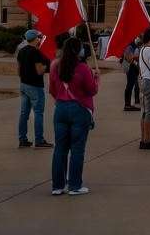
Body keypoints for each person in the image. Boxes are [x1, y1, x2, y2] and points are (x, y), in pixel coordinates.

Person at [49, 37, 99, 196]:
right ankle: (75, 185)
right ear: (79, 51)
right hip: (79, 109)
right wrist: (96, 77)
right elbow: (91, 90)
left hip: (61, 108)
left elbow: (52, 89)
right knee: (77, 149)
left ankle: (58, 186)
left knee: (60, 149)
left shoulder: (56, 66)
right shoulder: (83, 68)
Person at [16, 30, 52, 149]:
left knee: (23, 113)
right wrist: (48, 65)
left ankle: (22, 139)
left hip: (24, 85)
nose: (39, 39)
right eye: (38, 37)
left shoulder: (21, 51)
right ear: (35, 39)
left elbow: (18, 70)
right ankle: (39, 139)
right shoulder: (35, 52)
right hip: (35, 86)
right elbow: (39, 70)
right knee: (38, 113)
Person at [121, 35, 142, 112]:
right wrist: (137, 64)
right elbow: (129, 58)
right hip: (130, 68)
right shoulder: (129, 46)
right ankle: (127, 105)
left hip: (132, 67)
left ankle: (129, 104)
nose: (137, 39)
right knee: (130, 86)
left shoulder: (133, 46)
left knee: (131, 85)